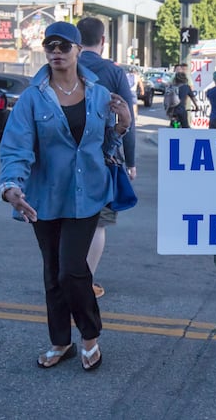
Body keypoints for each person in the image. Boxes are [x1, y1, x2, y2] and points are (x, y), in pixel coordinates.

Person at [0, 21, 132, 371]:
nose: (56, 52)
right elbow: (16, 147)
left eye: (63, 47)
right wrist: (11, 186)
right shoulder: (33, 97)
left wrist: (122, 125)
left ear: (77, 50)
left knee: (73, 269)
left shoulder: (100, 95)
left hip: (87, 193)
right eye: (50, 47)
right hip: (44, 197)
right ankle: (60, 342)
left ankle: (90, 337)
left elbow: (105, 147)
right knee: (52, 271)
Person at [76, 17, 137, 299]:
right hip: (102, 153)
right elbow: (128, 118)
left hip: (68, 151)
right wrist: (131, 161)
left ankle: (67, 277)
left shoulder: (66, 66)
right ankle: (85, 281)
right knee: (99, 221)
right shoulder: (114, 72)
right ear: (103, 41)